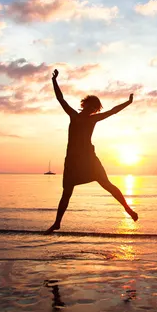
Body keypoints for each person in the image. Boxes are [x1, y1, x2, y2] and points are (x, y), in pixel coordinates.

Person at [44, 69, 138, 234]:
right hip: (73, 160)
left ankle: (128, 209)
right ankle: (57, 223)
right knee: (67, 192)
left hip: (89, 159)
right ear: (84, 104)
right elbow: (60, 98)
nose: (91, 108)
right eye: (89, 104)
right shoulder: (73, 115)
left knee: (107, 184)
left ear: (95, 109)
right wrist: (54, 81)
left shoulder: (94, 118)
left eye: (94, 107)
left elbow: (112, 111)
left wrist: (128, 103)